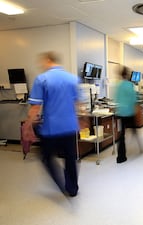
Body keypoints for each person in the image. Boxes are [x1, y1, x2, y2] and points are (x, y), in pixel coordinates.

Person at [27, 51, 80, 197]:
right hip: (70, 126)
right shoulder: (73, 78)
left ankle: (60, 183)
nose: (41, 65)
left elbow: (36, 107)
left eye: (42, 62)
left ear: (48, 60)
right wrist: (82, 121)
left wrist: (28, 125)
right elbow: (78, 103)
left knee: (46, 156)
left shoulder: (42, 79)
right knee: (70, 158)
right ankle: (72, 188)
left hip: (51, 128)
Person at [114, 66, 143, 163]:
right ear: (128, 75)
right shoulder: (130, 85)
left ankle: (121, 157)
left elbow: (116, 99)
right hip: (129, 113)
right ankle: (141, 147)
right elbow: (134, 99)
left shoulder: (118, 85)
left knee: (121, 135)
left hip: (119, 114)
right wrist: (137, 109)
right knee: (135, 131)